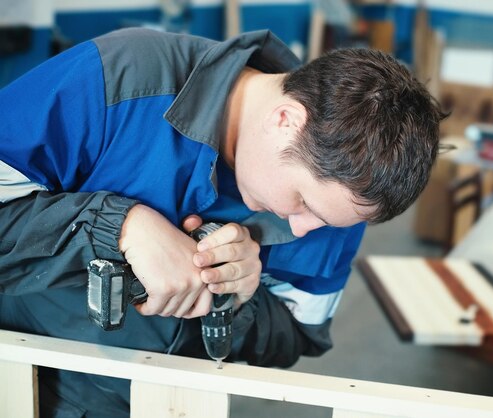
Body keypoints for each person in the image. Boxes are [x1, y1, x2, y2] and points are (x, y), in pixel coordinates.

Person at [0, 27, 444, 417]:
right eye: (302, 201)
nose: (307, 228)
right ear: (286, 120)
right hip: (19, 377)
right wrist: (116, 225)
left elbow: (297, 337)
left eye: (327, 219)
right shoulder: (120, 80)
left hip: (170, 402)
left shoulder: (342, 196)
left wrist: (240, 297)